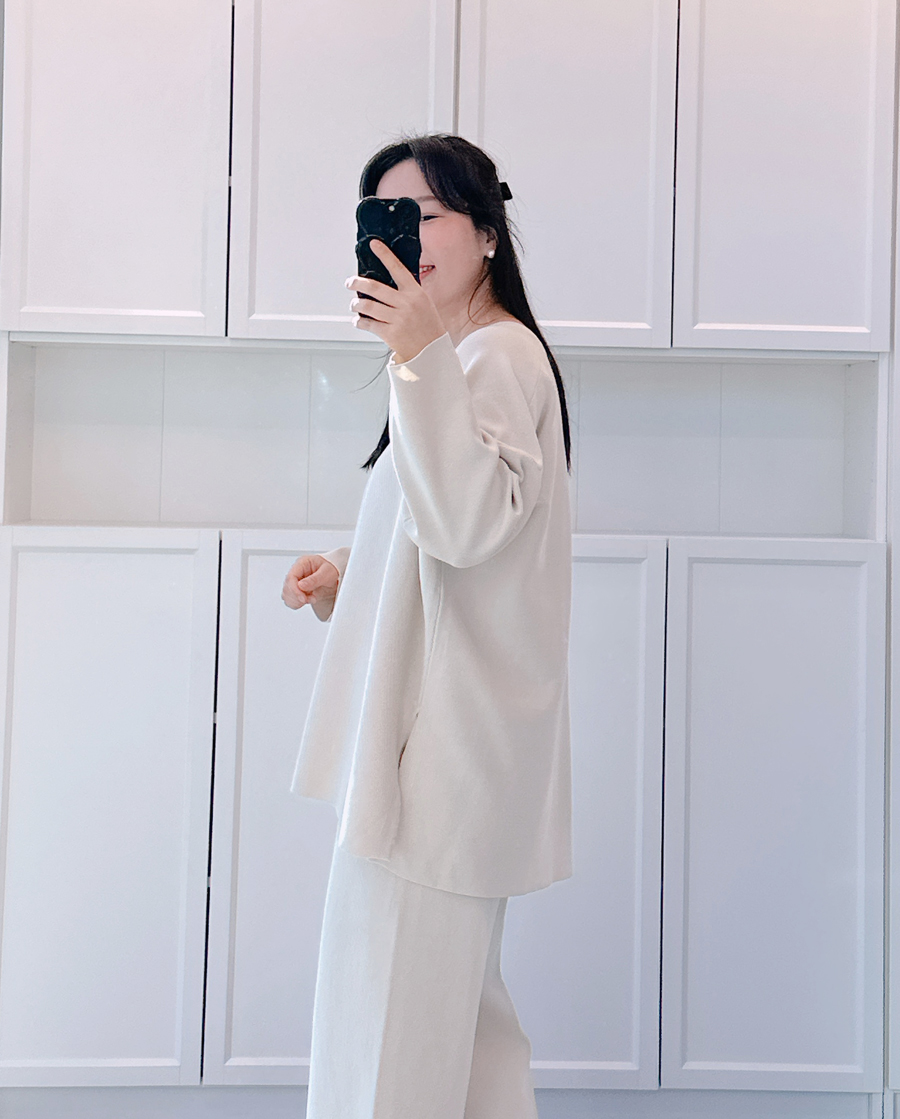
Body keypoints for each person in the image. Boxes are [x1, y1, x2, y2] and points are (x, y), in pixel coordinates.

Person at [282, 133, 573, 1119]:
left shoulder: (487, 358)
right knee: (464, 1049)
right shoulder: (466, 360)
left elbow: (464, 524)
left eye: (423, 215)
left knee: (386, 1050)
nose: (400, 236)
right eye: (384, 216)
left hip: (435, 769)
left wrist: (414, 352)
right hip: (456, 762)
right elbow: (457, 536)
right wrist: (351, 576)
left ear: (488, 233)